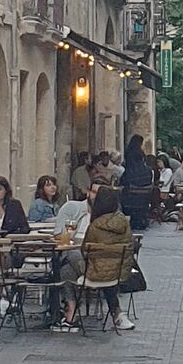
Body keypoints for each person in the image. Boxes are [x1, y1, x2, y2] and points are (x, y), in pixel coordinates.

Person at [51, 186, 135, 333]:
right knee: (68, 268)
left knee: (68, 260)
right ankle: (117, 313)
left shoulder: (95, 226)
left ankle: (70, 312)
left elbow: (84, 250)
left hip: (95, 272)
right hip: (119, 272)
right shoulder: (124, 223)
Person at [120, 135, 153, 232]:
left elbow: (124, 181)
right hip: (143, 197)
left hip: (130, 195)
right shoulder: (147, 171)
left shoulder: (129, 167)